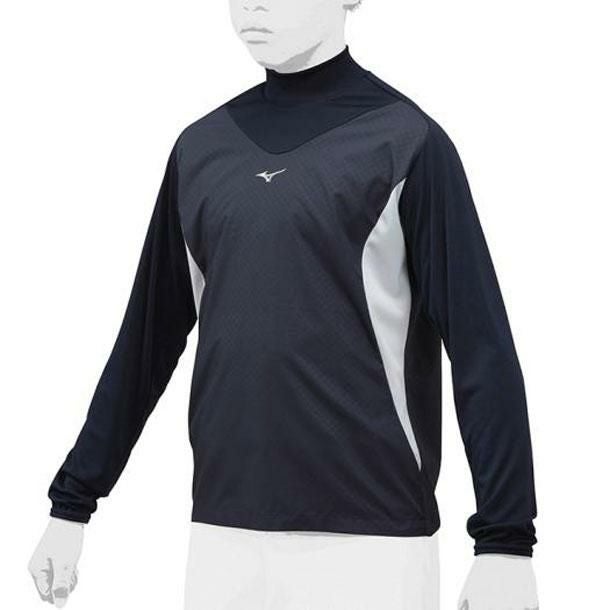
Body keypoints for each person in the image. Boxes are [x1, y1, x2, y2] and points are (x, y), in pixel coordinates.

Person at [28, 1, 539, 608]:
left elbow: (482, 348)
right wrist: (72, 504)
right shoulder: (200, 150)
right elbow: (144, 344)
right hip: (223, 541)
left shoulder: (406, 143)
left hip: (373, 546)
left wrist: (506, 542)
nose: (253, 3)